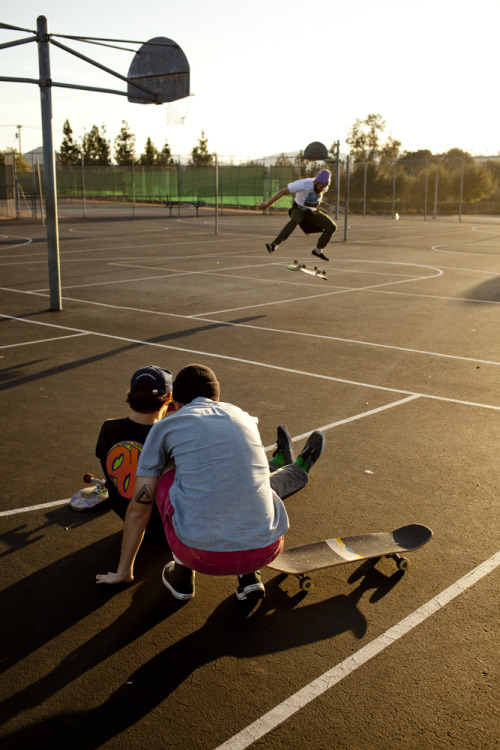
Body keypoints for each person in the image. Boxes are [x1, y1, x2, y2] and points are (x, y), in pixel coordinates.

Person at [96, 364, 325, 602]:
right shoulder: (243, 416)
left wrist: (124, 571)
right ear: (216, 397)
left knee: (170, 470)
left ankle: (182, 575)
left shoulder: (165, 428)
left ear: (176, 403)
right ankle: (249, 575)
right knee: (244, 478)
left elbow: (139, 509)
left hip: (200, 555)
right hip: (268, 549)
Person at [72, 366, 175, 539]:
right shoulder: (170, 437)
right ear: (169, 399)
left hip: (126, 515)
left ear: (131, 394)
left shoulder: (108, 428)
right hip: (166, 527)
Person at [257, 169, 336, 261]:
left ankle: (318, 250)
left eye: (324, 187)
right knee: (294, 221)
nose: (322, 189)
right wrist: (267, 205)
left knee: (332, 227)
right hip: (298, 209)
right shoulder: (303, 184)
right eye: (320, 187)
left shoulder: (324, 187)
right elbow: (283, 192)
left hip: (312, 212)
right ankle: (274, 244)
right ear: (315, 182)